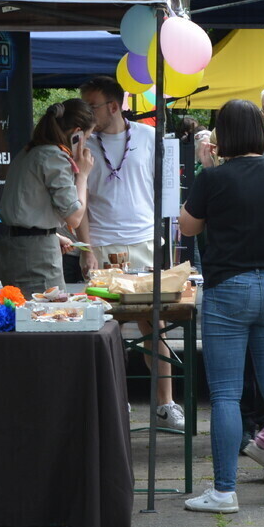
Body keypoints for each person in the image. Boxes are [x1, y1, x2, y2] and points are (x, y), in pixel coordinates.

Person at [178, 99, 264, 512]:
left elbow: (187, 225)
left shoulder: (214, 178)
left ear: (223, 136)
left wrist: (207, 169)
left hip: (228, 289)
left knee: (227, 395)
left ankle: (223, 491)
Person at [77, 76, 183, 431]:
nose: (86, 112)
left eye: (91, 105)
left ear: (113, 105)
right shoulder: (83, 143)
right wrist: (86, 248)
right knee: (107, 327)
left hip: (144, 242)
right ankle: (115, 404)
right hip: (103, 245)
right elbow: (82, 204)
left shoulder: (147, 136)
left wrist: (165, 237)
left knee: (156, 324)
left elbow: (165, 188)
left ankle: (166, 405)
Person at [0, 100, 93, 295]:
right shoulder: (54, 156)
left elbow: (24, 210)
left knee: (21, 315)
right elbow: (74, 217)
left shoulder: (28, 152)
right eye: (87, 138)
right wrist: (82, 175)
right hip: (36, 254)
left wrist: (53, 235)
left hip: (17, 246)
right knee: (48, 316)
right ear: (77, 134)